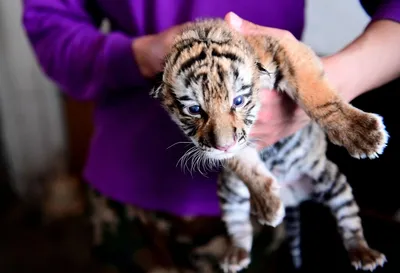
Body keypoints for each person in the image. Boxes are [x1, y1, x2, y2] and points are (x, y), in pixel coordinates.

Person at [21, 0, 400, 272]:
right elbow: (48, 21)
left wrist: (325, 95)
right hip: (129, 191)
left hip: (272, 188)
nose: (222, 140)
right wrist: (136, 54)